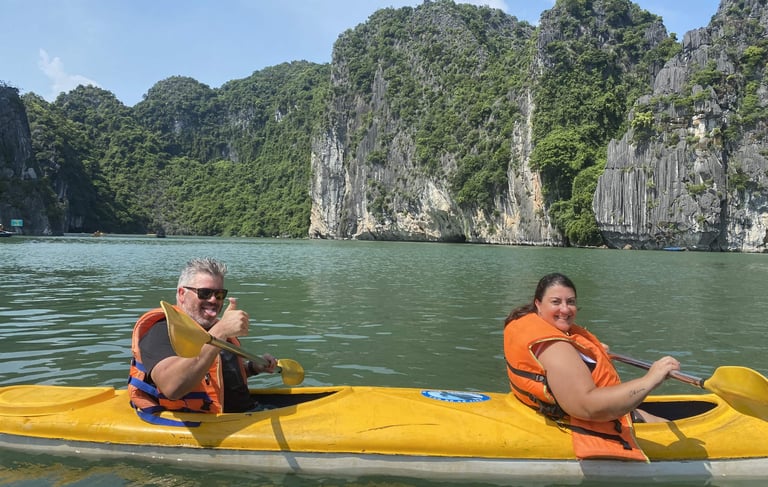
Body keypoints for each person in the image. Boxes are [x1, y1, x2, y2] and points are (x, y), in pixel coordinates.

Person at [503, 272, 681, 461]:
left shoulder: (529, 322)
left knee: (659, 420)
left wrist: (590, 353)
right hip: (592, 417)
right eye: (556, 302)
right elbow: (588, 407)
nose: (565, 309)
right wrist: (650, 379)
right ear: (538, 304)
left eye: (570, 302)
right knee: (663, 425)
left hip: (535, 406)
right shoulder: (555, 348)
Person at [129, 257, 277, 421]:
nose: (213, 300)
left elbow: (216, 376)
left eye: (219, 294)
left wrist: (253, 368)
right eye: (205, 293)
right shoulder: (161, 331)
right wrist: (220, 332)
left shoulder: (212, 329)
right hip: (213, 424)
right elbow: (172, 387)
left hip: (249, 413)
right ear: (182, 294)